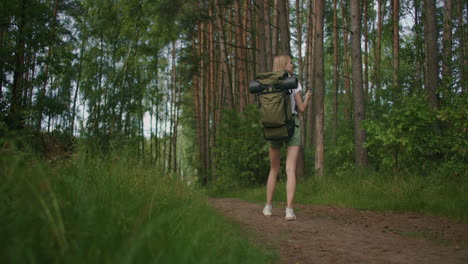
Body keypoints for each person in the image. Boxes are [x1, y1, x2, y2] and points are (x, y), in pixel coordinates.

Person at [262, 55, 312, 221]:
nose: (292, 64)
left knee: (273, 169)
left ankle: (268, 207)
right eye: (290, 62)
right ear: (284, 65)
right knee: (290, 169)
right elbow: (302, 109)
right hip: (291, 126)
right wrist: (307, 99)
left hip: (273, 127)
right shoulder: (293, 82)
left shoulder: (268, 82)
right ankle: (289, 210)